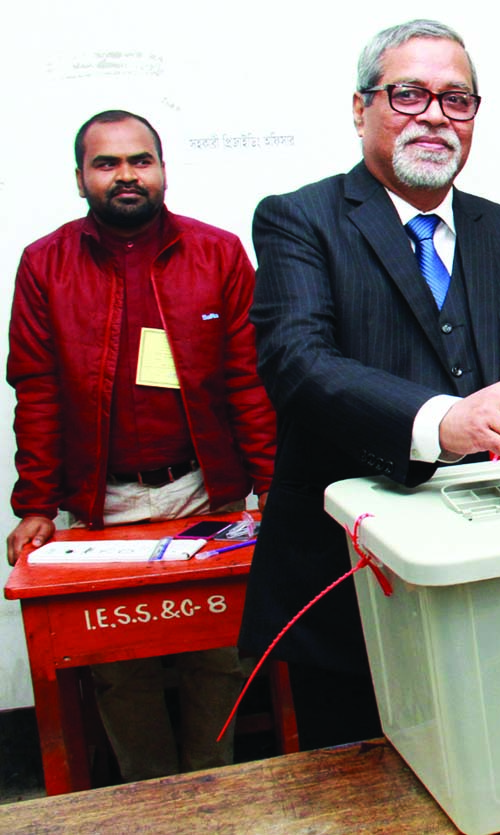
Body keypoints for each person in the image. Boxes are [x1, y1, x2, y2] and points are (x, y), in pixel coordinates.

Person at [238, 19, 500, 750]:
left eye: (456, 99)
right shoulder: (299, 220)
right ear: (359, 108)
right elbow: (297, 363)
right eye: (408, 94)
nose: (435, 115)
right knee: (360, 793)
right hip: (351, 588)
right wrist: (442, 421)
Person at [6, 110, 276, 780]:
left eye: (139, 160)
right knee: (120, 669)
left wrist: (270, 484)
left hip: (202, 492)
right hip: (102, 505)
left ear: (161, 170)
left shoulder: (217, 253)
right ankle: (150, 799)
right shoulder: (45, 264)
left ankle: (214, 787)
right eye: (106, 163)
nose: (125, 175)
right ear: (80, 178)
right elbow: (35, 389)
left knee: (218, 656)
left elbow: (249, 380)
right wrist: (35, 503)